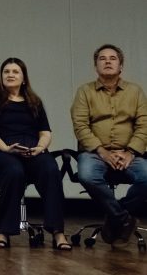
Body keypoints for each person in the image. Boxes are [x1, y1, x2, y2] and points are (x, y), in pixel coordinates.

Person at [0, 57, 70, 250]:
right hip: (2, 152)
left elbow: (45, 133)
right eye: (6, 71)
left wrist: (40, 148)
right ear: (1, 76)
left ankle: (58, 231)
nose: (10, 75)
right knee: (14, 171)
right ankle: (4, 231)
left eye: (15, 72)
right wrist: (6, 148)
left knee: (50, 169)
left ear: (24, 78)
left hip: (32, 151)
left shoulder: (34, 102)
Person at [71, 43, 147, 245]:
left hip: (129, 153)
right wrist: (102, 152)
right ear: (95, 66)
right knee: (87, 175)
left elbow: (144, 124)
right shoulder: (84, 91)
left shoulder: (135, 91)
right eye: (102, 59)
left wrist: (130, 152)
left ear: (121, 66)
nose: (107, 62)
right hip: (94, 153)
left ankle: (116, 216)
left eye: (113, 58)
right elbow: (80, 126)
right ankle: (123, 218)